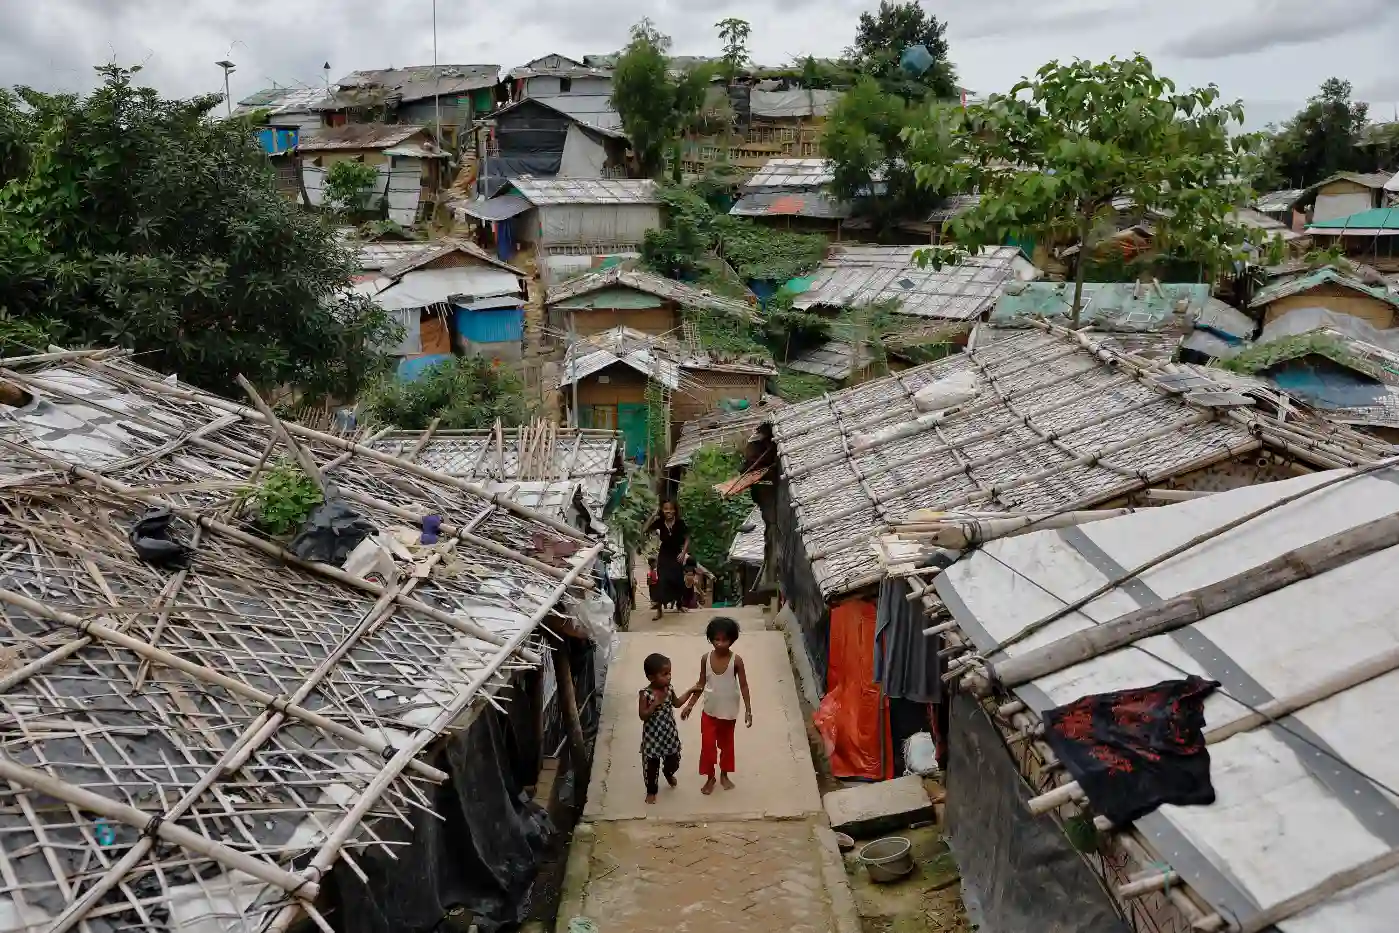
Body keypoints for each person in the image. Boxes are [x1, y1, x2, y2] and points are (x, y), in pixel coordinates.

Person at [680, 616, 752, 795]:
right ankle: (710, 776)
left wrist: (748, 710)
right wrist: (690, 705)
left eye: (725, 640)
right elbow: (700, 683)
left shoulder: (737, 661)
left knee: (727, 746)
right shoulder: (705, 659)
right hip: (709, 712)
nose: (720, 644)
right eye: (716, 639)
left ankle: (725, 774)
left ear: (732, 639)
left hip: (729, 713)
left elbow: (743, 685)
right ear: (710, 639)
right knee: (708, 746)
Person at [638, 652, 698, 804]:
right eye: (664, 674)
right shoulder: (646, 694)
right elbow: (642, 715)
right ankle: (651, 791)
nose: (669, 677)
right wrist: (654, 705)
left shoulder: (669, 689)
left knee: (674, 760)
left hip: (669, 733)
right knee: (651, 766)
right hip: (652, 737)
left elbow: (677, 703)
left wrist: (690, 691)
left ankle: (668, 772)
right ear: (651, 677)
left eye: (669, 673)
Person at [739, 423, 779, 589]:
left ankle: (771, 578)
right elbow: (747, 468)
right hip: (765, 491)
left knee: (772, 531)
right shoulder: (756, 450)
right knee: (771, 530)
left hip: (769, 493)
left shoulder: (764, 451)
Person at [645, 501, 689, 620]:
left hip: (676, 554)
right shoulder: (660, 522)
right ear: (662, 510)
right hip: (664, 554)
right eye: (665, 509)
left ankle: (679, 605)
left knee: (678, 579)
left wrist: (683, 552)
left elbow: (687, 538)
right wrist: (653, 516)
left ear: (675, 510)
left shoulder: (680, 523)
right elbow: (646, 529)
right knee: (662, 580)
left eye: (671, 509)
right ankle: (659, 611)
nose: (668, 511)